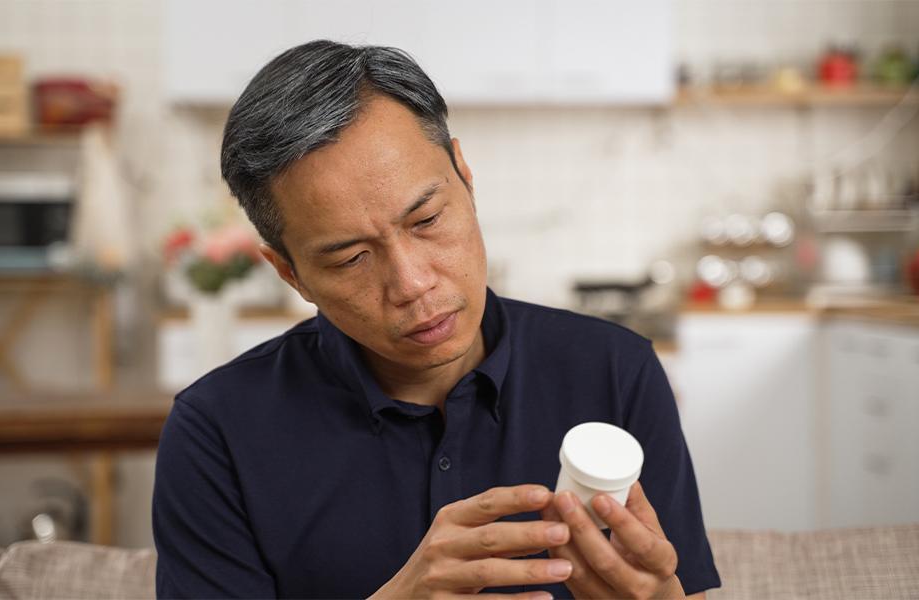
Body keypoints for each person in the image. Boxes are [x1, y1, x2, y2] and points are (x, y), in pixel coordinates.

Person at [152, 39, 720, 599]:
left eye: (426, 220)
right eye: (351, 258)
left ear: (465, 177)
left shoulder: (617, 372)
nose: (412, 284)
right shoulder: (216, 432)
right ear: (290, 273)